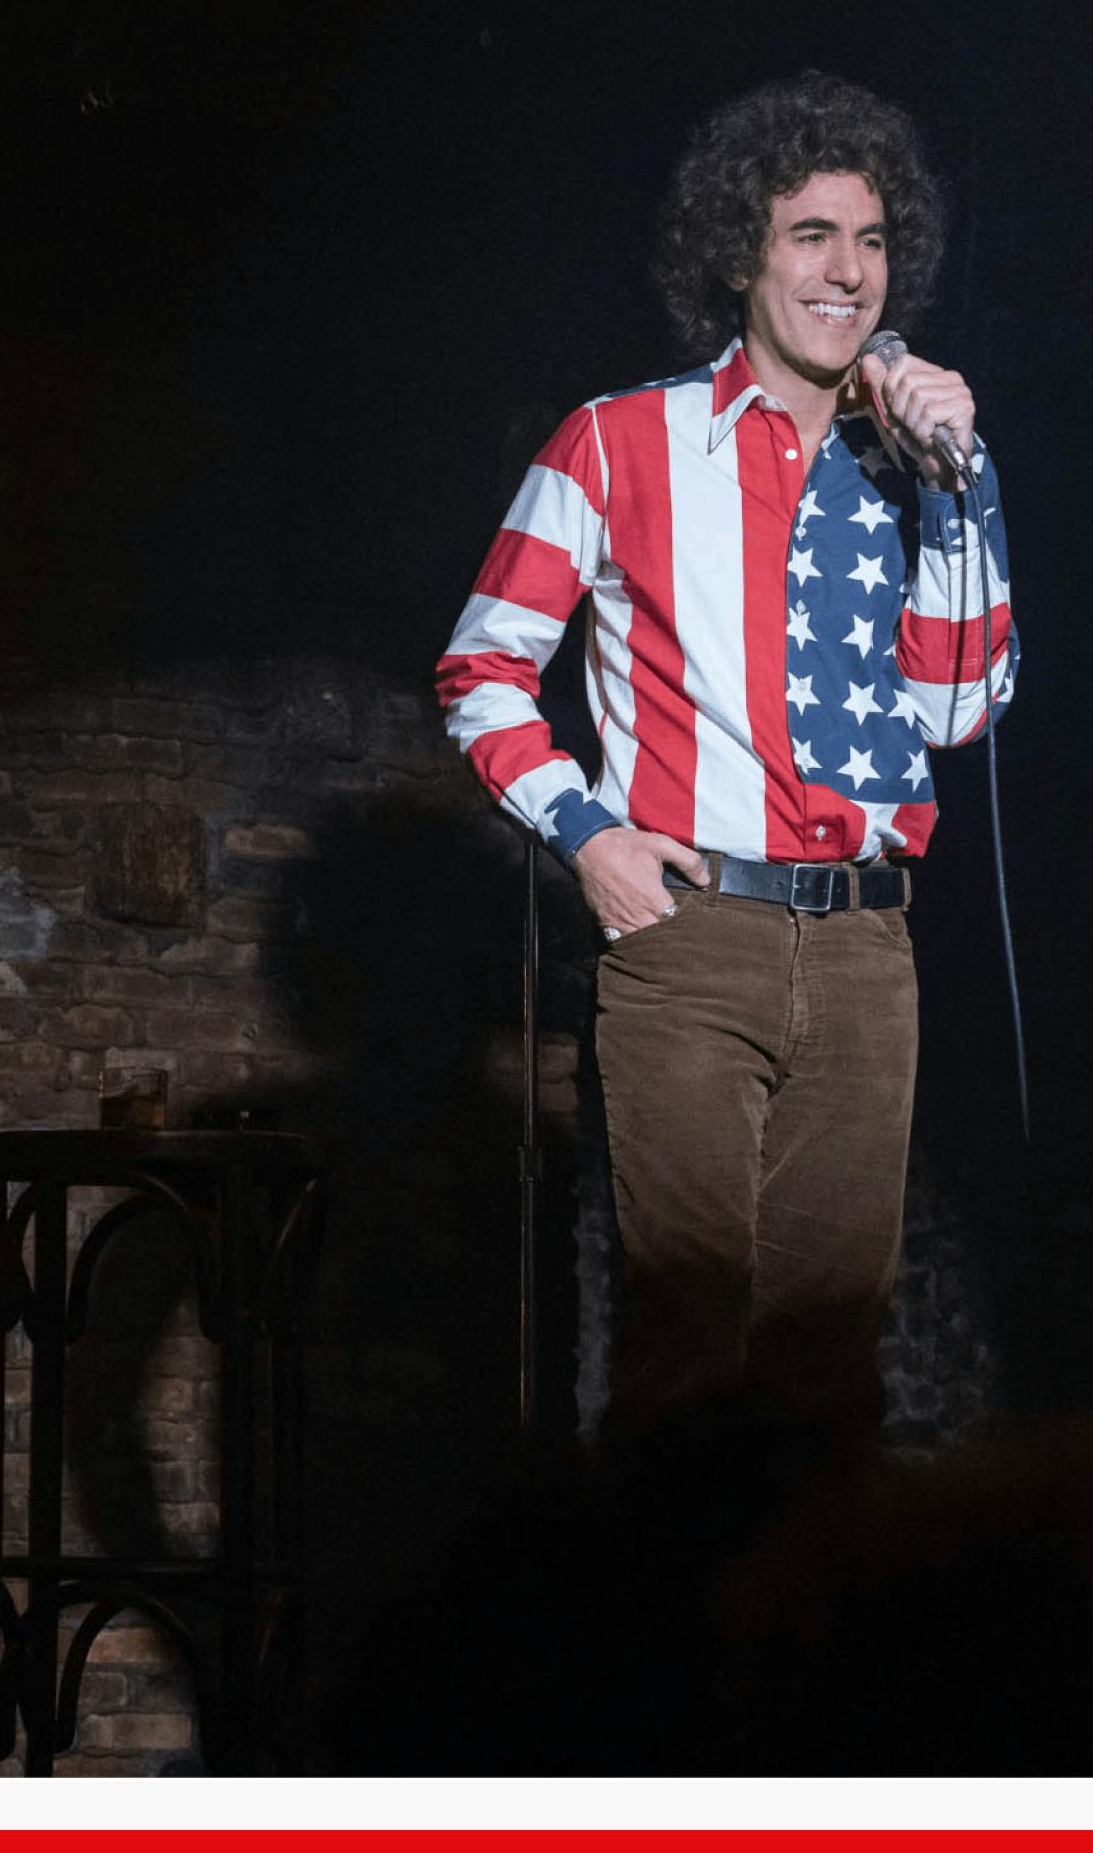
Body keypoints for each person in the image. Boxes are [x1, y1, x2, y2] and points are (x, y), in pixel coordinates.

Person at [435, 71, 1017, 1440]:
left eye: (869, 240)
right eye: (809, 233)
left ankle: (796, 1651)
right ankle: (664, 1646)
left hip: (870, 948)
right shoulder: (616, 441)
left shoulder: (909, 463)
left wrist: (960, 478)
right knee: (687, 1343)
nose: (845, 271)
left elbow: (956, 709)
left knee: (829, 1358)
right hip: (693, 937)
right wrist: (585, 833)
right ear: (740, 250)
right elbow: (482, 667)